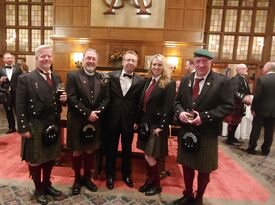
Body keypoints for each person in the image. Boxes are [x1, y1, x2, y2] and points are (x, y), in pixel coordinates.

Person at [174, 49, 233, 205]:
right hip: (187, 130)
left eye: (204, 62)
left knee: (204, 168)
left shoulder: (222, 81)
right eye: (197, 61)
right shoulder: (186, 79)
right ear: (194, 62)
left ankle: (198, 198)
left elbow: (228, 106)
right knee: (187, 166)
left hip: (207, 132)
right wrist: (180, 112)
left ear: (210, 62)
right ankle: (187, 194)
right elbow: (177, 102)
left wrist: (205, 117)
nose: (200, 65)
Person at [16, 45, 67, 205]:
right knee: (36, 158)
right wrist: (23, 127)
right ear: (37, 59)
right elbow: (20, 105)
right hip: (35, 123)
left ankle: (47, 184)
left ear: (52, 59)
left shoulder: (56, 78)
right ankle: (38, 189)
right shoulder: (26, 78)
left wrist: (63, 101)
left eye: (48, 56)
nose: (46, 59)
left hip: (52, 122)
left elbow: (57, 102)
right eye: (42, 56)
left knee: (50, 157)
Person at [66, 48, 110, 195]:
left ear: (97, 62)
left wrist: (97, 112)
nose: (91, 61)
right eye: (88, 58)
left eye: (93, 59)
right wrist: (87, 113)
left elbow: (106, 98)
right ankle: (77, 179)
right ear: (83, 59)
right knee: (77, 150)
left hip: (95, 119)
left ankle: (87, 178)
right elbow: (71, 98)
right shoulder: (73, 75)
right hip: (77, 119)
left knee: (90, 149)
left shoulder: (102, 77)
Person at [104, 50, 145, 190]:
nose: (130, 63)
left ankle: (126, 175)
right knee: (111, 149)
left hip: (129, 121)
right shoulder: (111, 76)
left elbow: (140, 103)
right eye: (128, 60)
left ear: (136, 63)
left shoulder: (141, 81)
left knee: (128, 149)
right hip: (112, 120)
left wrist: (137, 121)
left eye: (133, 60)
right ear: (123, 62)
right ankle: (110, 175)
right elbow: (105, 98)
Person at [137, 54, 175, 196]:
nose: (156, 67)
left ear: (163, 67)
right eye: (154, 64)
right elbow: (143, 104)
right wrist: (138, 121)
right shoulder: (148, 81)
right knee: (147, 154)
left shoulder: (169, 83)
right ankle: (149, 181)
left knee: (150, 156)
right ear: (150, 66)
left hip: (157, 126)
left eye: (159, 65)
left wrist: (162, 126)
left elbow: (168, 107)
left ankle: (157, 184)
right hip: (146, 124)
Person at [246, 61, 275, 156]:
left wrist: (253, 109)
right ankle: (266, 150)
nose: (263, 69)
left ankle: (251, 148)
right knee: (269, 131)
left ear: (269, 68)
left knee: (256, 129)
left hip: (261, 110)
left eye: (264, 67)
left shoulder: (262, 80)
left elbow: (257, 96)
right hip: (273, 111)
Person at [224, 64, 252, 145]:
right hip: (235, 104)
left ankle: (232, 137)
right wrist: (243, 98)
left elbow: (246, 91)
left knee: (237, 122)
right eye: (245, 68)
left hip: (240, 104)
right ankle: (229, 139)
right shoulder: (235, 79)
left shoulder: (243, 79)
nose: (247, 69)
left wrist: (249, 97)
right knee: (232, 122)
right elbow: (234, 92)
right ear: (239, 70)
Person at [0, 52, 23, 133]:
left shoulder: (18, 68)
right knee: (8, 111)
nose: (10, 59)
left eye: (10, 58)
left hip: (17, 93)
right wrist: (0, 80)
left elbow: (22, 80)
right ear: (3, 59)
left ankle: (21, 127)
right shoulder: (0, 69)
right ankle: (11, 127)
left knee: (19, 111)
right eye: (7, 58)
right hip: (6, 94)